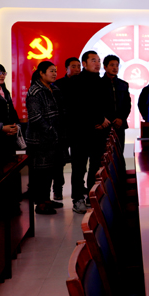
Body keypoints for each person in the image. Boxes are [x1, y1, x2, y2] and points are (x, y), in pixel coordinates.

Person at [70, 51, 111, 214]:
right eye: (93, 60)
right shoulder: (76, 82)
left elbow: (106, 105)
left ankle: (91, 196)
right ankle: (77, 199)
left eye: (99, 60)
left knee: (95, 166)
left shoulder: (102, 82)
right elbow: (80, 106)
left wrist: (104, 121)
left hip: (98, 133)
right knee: (79, 168)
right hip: (81, 132)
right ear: (84, 64)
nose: (97, 63)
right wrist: (98, 120)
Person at [26, 61, 68, 215]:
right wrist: (50, 131)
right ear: (41, 73)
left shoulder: (54, 89)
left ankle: (47, 199)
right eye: (51, 71)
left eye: (55, 71)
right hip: (40, 140)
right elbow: (35, 117)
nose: (55, 74)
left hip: (54, 139)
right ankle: (41, 203)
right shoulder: (35, 91)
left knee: (51, 170)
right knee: (41, 173)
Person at [52, 56, 81, 201]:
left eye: (79, 66)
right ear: (66, 69)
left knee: (79, 161)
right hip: (62, 128)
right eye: (73, 66)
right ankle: (58, 189)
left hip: (78, 128)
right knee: (59, 161)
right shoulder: (57, 85)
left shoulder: (83, 83)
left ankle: (79, 188)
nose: (77, 69)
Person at [102, 55, 131, 149]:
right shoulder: (99, 84)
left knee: (119, 152)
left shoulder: (123, 84)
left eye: (117, 65)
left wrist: (121, 118)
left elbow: (127, 105)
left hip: (119, 125)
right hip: (104, 125)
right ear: (105, 67)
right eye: (112, 65)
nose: (115, 68)